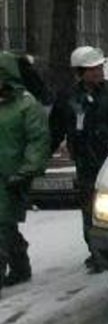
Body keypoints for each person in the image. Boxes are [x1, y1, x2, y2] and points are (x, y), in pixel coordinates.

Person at [48, 46, 108, 274]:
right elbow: (56, 129)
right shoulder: (68, 97)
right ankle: (96, 252)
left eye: (99, 67)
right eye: (91, 69)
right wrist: (42, 156)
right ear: (79, 73)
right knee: (89, 207)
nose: (98, 72)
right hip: (86, 161)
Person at [0, 51, 50, 291]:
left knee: (2, 225)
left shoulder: (26, 106)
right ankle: (20, 264)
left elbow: (37, 140)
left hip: (11, 177)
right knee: (5, 226)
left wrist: (27, 170)